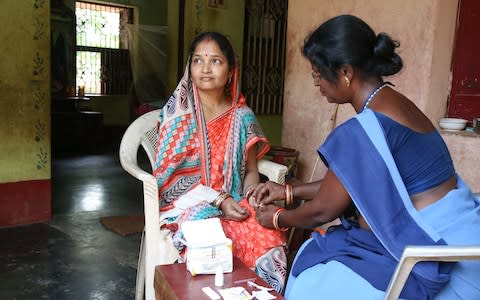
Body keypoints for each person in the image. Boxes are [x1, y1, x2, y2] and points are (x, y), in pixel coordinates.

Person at [252, 15, 480, 299]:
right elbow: (352, 184)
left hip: (437, 252)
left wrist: (276, 218)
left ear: (346, 72)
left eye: (318, 73)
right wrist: (288, 190)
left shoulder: (363, 128)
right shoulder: (396, 103)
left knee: (314, 270)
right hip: (465, 236)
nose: (317, 82)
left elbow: (323, 210)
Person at [152, 31, 287, 292]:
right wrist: (217, 200)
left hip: (234, 200)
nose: (205, 68)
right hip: (186, 204)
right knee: (208, 240)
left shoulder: (242, 116)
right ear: (189, 66)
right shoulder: (177, 115)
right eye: (198, 60)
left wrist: (250, 197)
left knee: (267, 232)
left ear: (231, 70)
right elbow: (167, 181)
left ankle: (255, 296)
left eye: (215, 61)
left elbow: (250, 170)